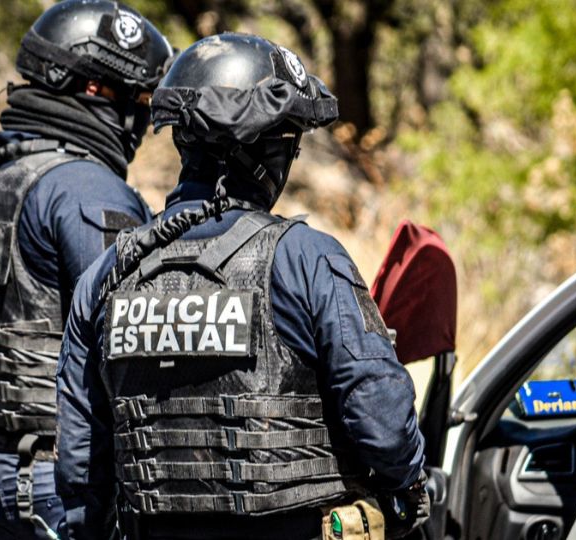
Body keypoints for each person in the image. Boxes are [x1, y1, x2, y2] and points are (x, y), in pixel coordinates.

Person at [56, 33, 428, 540]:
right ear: (267, 152)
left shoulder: (105, 275)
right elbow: (383, 424)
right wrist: (406, 493)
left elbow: (82, 468)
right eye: (288, 144)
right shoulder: (304, 258)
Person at [0, 2, 173, 538]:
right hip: (61, 488)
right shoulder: (87, 190)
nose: (140, 118)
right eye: (134, 97)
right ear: (91, 89)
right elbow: (137, 345)